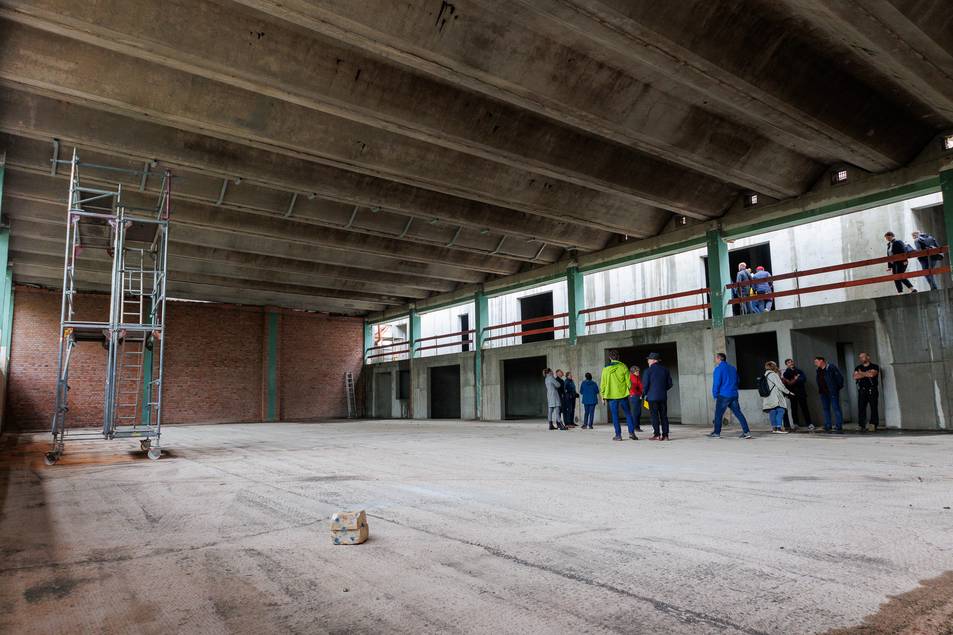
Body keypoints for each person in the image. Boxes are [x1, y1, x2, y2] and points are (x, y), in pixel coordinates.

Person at [707, 353, 752, 439]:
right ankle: (747, 432)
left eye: (716, 358)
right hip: (734, 394)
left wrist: (715, 394)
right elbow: (738, 380)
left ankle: (716, 433)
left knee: (718, 414)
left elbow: (716, 383)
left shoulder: (718, 369)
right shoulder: (732, 368)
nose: (715, 360)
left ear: (719, 358)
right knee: (738, 413)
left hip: (723, 395)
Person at [599, 350, 638, 441]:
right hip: (623, 395)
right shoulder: (623, 366)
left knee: (615, 415)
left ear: (610, 358)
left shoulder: (605, 369)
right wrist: (629, 391)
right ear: (618, 357)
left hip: (611, 396)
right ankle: (631, 433)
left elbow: (603, 384)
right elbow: (629, 382)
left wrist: (602, 396)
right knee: (628, 414)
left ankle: (618, 435)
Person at [641, 352, 673, 440]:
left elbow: (645, 385)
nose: (647, 361)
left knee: (654, 416)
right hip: (663, 397)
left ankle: (657, 435)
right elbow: (670, 384)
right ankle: (665, 435)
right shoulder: (665, 370)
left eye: (649, 359)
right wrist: (662, 389)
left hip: (652, 397)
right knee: (664, 416)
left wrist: (643, 394)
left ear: (653, 360)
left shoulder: (647, 371)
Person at [814, 356, 845, 433]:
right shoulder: (818, 369)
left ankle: (838, 425)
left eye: (816, 361)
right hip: (823, 392)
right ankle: (828, 425)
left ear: (822, 361)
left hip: (832, 392)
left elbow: (839, 378)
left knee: (836, 408)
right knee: (826, 409)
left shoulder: (831, 367)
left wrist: (836, 389)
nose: (815, 363)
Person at [762, 361, 793, 434]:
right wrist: (788, 392)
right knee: (781, 410)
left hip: (768, 396)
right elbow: (780, 385)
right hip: (775, 396)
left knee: (772, 411)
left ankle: (774, 428)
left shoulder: (765, 374)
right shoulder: (773, 374)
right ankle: (779, 428)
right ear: (773, 366)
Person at [853, 352, 881, 432]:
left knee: (873, 407)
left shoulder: (874, 366)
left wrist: (861, 373)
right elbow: (855, 376)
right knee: (861, 408)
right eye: (860, 357)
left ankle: (873, 424)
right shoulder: (858, 367)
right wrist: (866, 373)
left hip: (872, 389)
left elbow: (872, 375)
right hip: (862, 390)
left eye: (863, 357)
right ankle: (861, 425)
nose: (861, 358)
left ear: (868, 357)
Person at [782, 359, 813, 431]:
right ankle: (796, 424)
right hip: (792, 394)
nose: (791, 363)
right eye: (789, 362)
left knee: (805, 408)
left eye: (791, 362)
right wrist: (795, 379)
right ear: (786, 364)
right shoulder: (786, 373)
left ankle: (809, 423)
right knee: (794, 409)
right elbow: (788, 384)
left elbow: (803, 380)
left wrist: (793, 381)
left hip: (801, 393)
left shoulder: (799, 371)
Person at [628, 365, 644, 432]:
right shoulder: (632, 377)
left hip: (637, 396)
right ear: (633, 371)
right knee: (635, 412)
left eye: (638, 371)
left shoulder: (637, 377)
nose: (638, 372)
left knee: (638, 412)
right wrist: (639, 393)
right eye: (637, 371)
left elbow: (640, 386)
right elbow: (633, 387)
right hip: (635, 396)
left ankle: (637, 426)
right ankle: (635, 427)